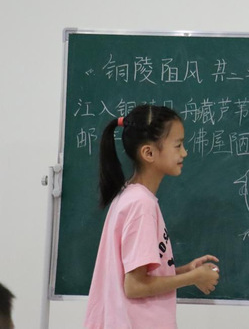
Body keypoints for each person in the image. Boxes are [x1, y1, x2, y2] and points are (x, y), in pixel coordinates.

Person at [85, 105, 220, 329]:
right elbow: (135, 286)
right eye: (178, 145)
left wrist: (185, 270)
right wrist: (193, 278)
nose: (184, 153)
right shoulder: (141, 205)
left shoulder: (129, 196)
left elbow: (138, 276)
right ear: (148, 153)